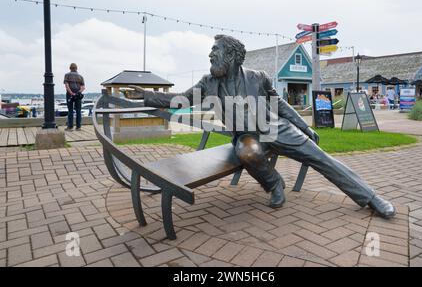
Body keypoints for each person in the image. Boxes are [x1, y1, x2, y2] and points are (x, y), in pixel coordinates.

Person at [132, 35, 396, 219]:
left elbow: (279, 104)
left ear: (233, 56)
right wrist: (145, 96)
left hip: (275, 128)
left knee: (321, 158)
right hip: (246, 136)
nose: (211, 55)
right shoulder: (208, 83)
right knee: (247, 152)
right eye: (211, 52)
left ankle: (371, 198)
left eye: (216, 51)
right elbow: (179, 100)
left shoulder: (258, 78)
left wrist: (302, 126)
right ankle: (274, 184)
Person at [64, 63, 85, 131]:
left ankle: (70, 127)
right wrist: (78, 93)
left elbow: (67, 85)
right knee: (78, 110)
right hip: (78, 95)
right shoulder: (80, 77)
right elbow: (83, 87)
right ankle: (78, 127)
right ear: (76, 68)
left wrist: (71, 93)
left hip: (70, 94)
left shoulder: (67, 75)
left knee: (70, 110)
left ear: (70, 68)